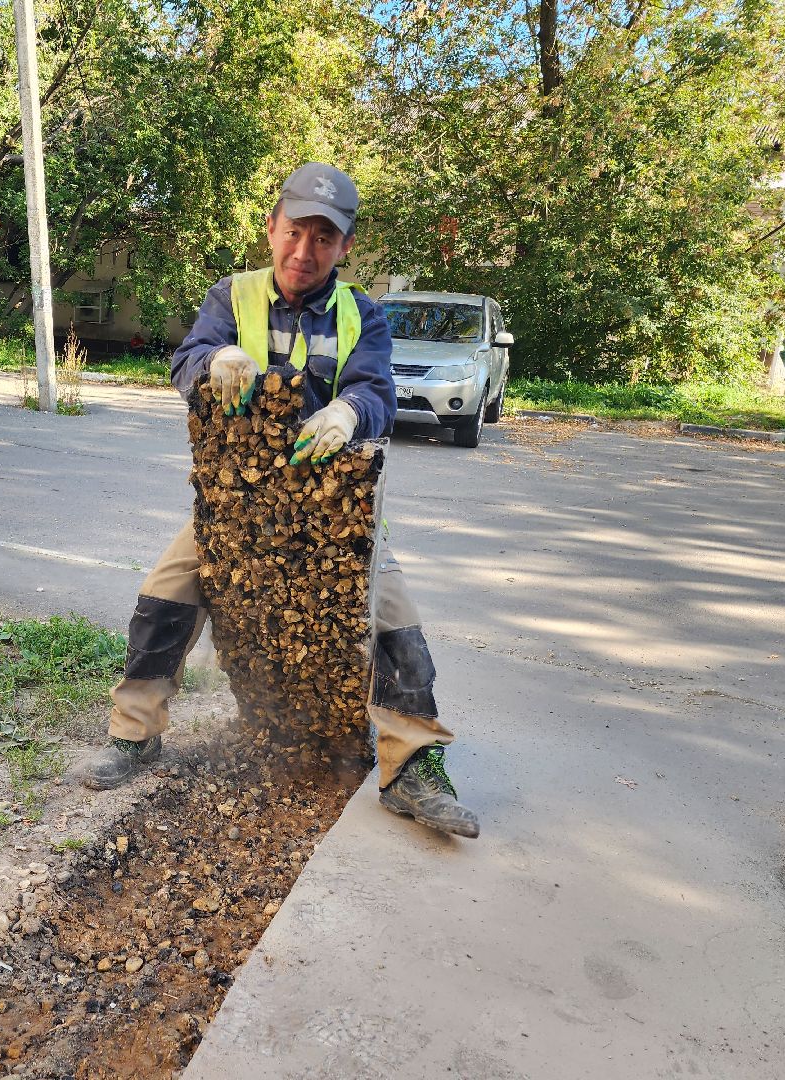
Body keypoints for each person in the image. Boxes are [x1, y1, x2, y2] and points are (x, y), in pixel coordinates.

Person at [80, 163, 479, 839]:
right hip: (240, 500)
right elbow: (186, 361)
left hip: (332, 507)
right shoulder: (230, 296)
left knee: (394, 615)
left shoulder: (364, 315)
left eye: (324, 239)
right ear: (271, 229)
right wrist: (217, 361)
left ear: (345, 247)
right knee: (166, 593)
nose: (305, 251)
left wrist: (349, 412)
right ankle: (135, 735)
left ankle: (411, 766)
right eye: (295, 232)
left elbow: (378, 393)